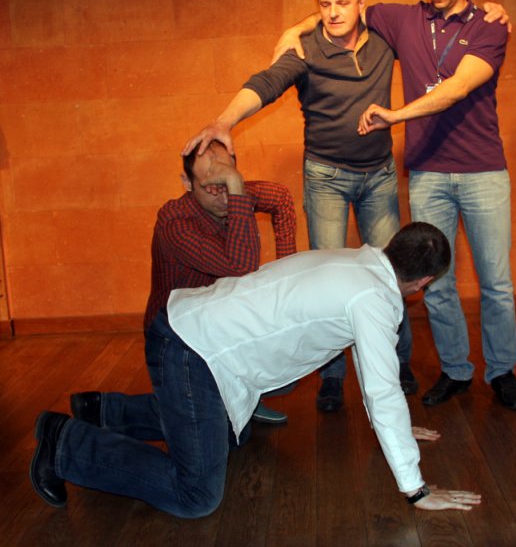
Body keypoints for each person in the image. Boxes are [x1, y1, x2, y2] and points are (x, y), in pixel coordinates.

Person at [31, 221, 484, 517]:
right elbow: (382, 390)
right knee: (196, 496)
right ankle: (66, 444)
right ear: (424, 282)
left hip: (190, 330)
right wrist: (417, 489)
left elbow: (371, 373)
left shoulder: (356, 262)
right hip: (191, 352)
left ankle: (101, 410)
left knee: (234, 433)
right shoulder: (373, 299)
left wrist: (394, 428)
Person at [275, 0, 516, 412]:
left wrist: (395, 116)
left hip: (483, 172)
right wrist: (295, 30)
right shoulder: (404, 18)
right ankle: (455, 371)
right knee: (437, 282)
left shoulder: (490, 26)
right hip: (427, 173)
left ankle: (503, 371)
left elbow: (458, 87)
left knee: (496, 283)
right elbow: (343, 9)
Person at [184, 0, 419, 414]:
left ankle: (398, 362)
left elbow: (433, 30)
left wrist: (486, 10)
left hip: (379, 176)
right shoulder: (305, 49)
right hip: (326, 178)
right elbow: (267, 82)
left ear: (362, 2)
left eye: (342, 3)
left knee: (391, 274)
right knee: (328, 284)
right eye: (324, 5)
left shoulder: (384, 39)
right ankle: (331, 376)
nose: (333, 13)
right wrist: (224, 121)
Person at [69, 140, 298, 435]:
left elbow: (281, 199)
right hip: (176, 338)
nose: (224, 197)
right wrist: (236, 187)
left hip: (218, 323)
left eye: (228, 182)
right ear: (187, 183)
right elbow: (240, 265)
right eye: (211, 187)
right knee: (224, 434)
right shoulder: (175, 222)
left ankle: (236, 399)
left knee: (288, 364)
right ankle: (103, 409)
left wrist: (285, 268)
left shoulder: (235, 191)